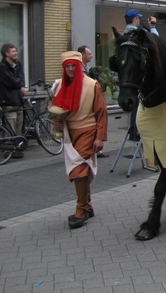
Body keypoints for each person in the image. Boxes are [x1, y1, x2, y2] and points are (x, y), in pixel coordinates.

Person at [52, 51, 107, 230]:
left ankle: (81, 210)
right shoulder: (58, 86)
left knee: (79, 169)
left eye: (72, 66)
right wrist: (57, 125)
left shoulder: (92, 85)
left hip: (87, 130)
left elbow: (101, 113)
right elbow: (56, 109)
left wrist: (99, 137)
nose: (69, 69)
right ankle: (87, 205)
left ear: (78, 66)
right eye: (66, 66)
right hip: (69, 132)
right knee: (80, 169)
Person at [77, 45, 109, 158]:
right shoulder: (78, 68)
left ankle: (96, 149)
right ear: (82, 55)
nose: (91, 56)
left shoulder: (86, 67)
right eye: (89, 53)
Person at [0, 43, 27, 159]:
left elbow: (21, 78)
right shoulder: (2, 67)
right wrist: (19, 84)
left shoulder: (17, 64)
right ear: (6, 54)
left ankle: (17, 148)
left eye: (16, 51)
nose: (16, 53)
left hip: (18, 100)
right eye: (13, 51)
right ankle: (8, 150)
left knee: (19, 126)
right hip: (8, 101)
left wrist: (19, 83)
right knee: (10, 127)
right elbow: (11, 81)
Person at [124, 9, 142, 141]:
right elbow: (153, 40)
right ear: (135, 19)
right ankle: (135, 129)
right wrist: (152, 27)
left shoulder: (124, 34)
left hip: (128, 75)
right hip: (137, 75)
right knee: (138, 101)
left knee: (134, 101)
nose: (139, 21)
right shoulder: (136, 33)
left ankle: (132, 128)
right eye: (138, 19)